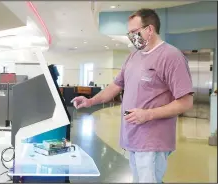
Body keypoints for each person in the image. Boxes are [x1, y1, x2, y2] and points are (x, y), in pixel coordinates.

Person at [71, 8, 194, 183]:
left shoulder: (171, 56)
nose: (131, 37)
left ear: (149, 30)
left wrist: (148, 114)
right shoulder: (133, 57)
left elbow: (186, 102)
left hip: (152, 139)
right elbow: (115, 86)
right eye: (129, 33)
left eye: (134, 32)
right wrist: (91, 101)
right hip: (132, 137)